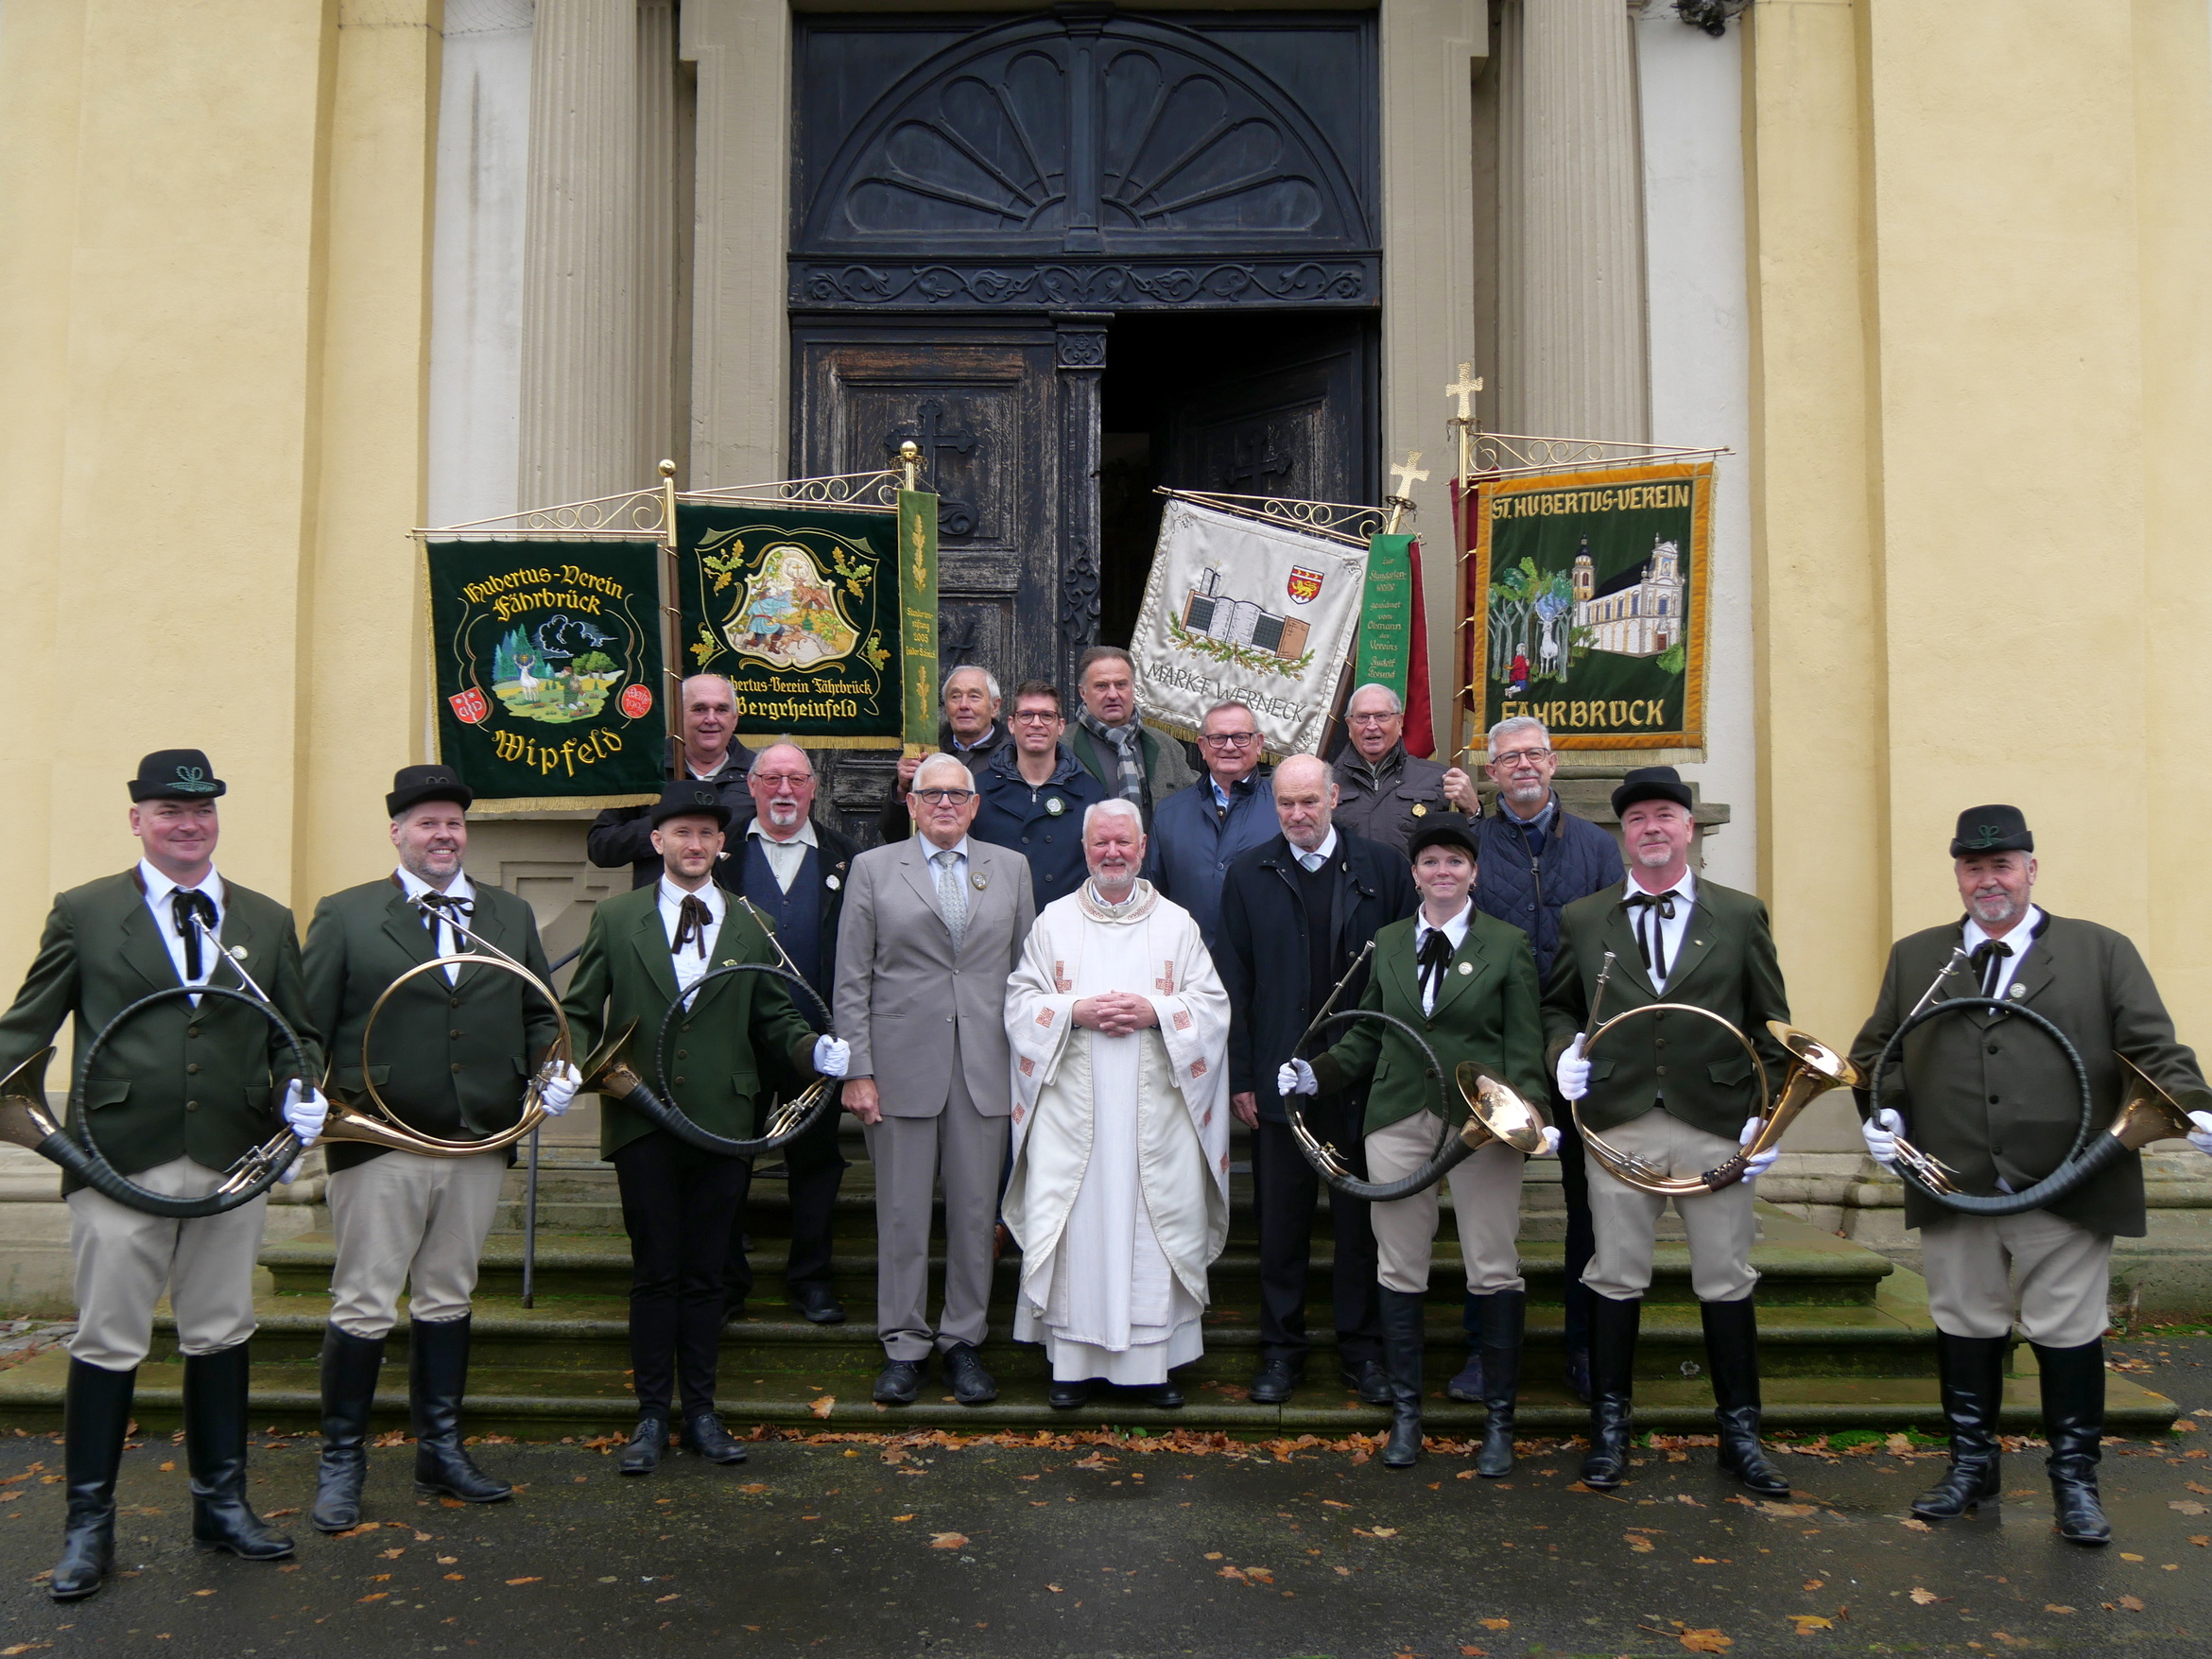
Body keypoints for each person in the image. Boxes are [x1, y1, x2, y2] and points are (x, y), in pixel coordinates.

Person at [0, 751, 328, 1600]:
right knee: (109, 1339)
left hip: (232, 1157)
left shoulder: (261, 914)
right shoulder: (85, 910)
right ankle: (88, 1525)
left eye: (203, 810)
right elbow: (28, 1023)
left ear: (216, 818)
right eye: (169, 810)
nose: (189, 823)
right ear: (137, 818)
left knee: (220, 1330)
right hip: (116, 1155)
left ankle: (222, 1504)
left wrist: (304, 1092)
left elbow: (296, 1030)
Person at [1851, 806, 2212, 1545]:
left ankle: (2074, 1483)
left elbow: (2155, 1049)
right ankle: (1970, 1469)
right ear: (1958, 873)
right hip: (1955, 1182)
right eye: (1974, 867)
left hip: (2071, 1180)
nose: (1989, 879)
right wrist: (1881, 1117)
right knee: (1965, 1322)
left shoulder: (2100, 950)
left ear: (2031, 868)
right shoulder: (1918, 955)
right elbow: (1876, 1053)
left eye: (2003, 864)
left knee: (2068, 1332)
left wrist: (2198, 1108)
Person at [300, 765, 581, 1530]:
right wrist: (298, 1092)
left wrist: (554, 1065)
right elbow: (305, 1024)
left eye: (454, 822)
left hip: (477, 1136)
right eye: (426, 822)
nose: (443, 834)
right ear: (397, 832)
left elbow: (536, 1011)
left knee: (448, 1294)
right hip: (380, 1133)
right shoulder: (348, 914)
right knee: (363, 1299)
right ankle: (341, 1460)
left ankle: (440, 1449)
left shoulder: (507, 913)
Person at [562, 782, 850, 1476]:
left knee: (706, 1275)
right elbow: (577, 1009)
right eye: (681, 833)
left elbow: (773, 1018)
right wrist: (563, 1065)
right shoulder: (617, 916)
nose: (695, 845)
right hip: (643, 1119)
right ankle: (650, 1416)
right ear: (657, 841)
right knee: (655, 1271)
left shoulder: (750, 923)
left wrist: (812, 1048)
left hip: (725, 1120)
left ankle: (703, 1412)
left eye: (706, 835)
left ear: (722, 846)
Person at [1544, 766, 1792, 1496]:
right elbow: (1558, 1006)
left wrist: (1767, 1114)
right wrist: (1562, 1057)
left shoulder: (1740, 914)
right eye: (1638, 819)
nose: (1652, 827)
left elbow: (1772, 1025)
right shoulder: (1585, 918)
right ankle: (1611, 1426)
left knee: (1726, 1275)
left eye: (1665, 815)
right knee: (1614, 1273)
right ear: (1623, 836)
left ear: (1688, 828)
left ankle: (1740, 1432)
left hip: (1715, 1118)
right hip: (1619, 1119)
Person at [1283, 819, 1556, 1471]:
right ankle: (1407, 1417)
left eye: (1455, 861)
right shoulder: (1387, 941)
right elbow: (1368, 1034)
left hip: (1479, 1123)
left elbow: (1522, 1042)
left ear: (1473, 872)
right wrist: (1318, 1071)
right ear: (1414, 873)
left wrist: (1531, 1115)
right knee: (1399, 1264)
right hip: (1397, 1114)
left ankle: (1498, 1423)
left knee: (1493, 1263)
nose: (1442, 871)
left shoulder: (1507, 942)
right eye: (1430, 860)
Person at [1004, 798, 1232, 1409]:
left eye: (1122, 843)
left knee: (1150, 1228)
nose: (1112, 853)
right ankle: (1071, 1365)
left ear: (1142, 846)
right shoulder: (1053, 922)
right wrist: (1072, 1010)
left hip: (1154, 1114)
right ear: (1085, 849)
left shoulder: (1177, 924)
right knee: (1077, 1222)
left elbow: (1212, 1009)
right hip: (1071, 1113)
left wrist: (1156, 1010)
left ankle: (1151, 1367)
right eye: (1101, 842)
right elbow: (1020, 1003)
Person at [835, 753, 1036, 1408]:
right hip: (898, 1068)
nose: (945, 803)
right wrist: (858, 1069)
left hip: (985, 1066)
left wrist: (1028, 1069)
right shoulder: (872, 869)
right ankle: (903, 1343)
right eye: (932, 793)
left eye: (958, 793)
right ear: (912, 803)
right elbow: (852, 978)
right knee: (901, 1212)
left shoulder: (1009, 868)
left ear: (975, 804)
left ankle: (963, 1341)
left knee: (978, 1212)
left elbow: (1025, 973)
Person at [1217, 753, 1416, 1408]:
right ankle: (1281, 1350)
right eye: (1286, 803)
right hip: (1279, 1083)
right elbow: (1234, 983)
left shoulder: (1384, 869)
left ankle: (1361, 1350)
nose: (1298, 814)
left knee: (1360, 1229)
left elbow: (1402, 979)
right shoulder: (1249, 873)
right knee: (1281, 1227)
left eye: (1309, 800)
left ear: (1334, 795)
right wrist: (1243, 1074)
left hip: (1362, 1080)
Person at [1462, 716, 1625, 1404]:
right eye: (1508, 758)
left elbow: (1617, 937)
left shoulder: (1594, 847)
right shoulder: (1469, 843)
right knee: (1487, 1209)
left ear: (1554, 764)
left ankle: (1584, 1347)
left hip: (1581, 1046)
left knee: (1590, 1204)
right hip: (1498, 1048)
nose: (1522, 765)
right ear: (1491, 772)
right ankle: (1484, 1353)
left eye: (1534, 754)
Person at [717, 742, 861, 1327]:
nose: (784, 790)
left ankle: (812, 1280)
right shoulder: (719, 851)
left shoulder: (846, 857)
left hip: (817, 1042)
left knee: (817, 1164)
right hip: (734, 1042)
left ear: (813, 787)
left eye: (796, 780)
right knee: (728, 1163)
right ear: (751, 786)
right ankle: (726, 1282)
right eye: (771, 778)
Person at [587, 673, 756, 887]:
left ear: (734, 718)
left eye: (721, 710)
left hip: (734, 912)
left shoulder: (758, 774)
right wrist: (663, 827)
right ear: (677, 715)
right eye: (699, 709)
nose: (711, 719)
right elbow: (600, 848)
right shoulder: (646, 769)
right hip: (658, 911)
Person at [1142, 699, 1278, 952]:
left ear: (1258, 744)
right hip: (1188, 966)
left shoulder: (1284, 809)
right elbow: (1152, 898)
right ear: (1203, 746)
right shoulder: (1170, 813)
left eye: (1240, 737)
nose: (1229, 747)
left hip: (1263, 967)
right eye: (1218, 738)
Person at [971, 680, 1107, 908]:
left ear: (1061, 726)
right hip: (998, 924)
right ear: (1012, 724)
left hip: (1066, 927)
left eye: (1046, 716)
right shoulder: (979, 790)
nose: (1036, 724)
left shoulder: (1091, 794)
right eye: (1026, 715)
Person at [1330, 683, 1473, 856]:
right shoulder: (1326, 783)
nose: (1372, 725)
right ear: (1349, 726)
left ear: (1399, 722)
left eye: (1382, 716)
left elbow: (1466, 852)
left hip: (1412, 884)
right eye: (1362, 717)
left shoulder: (1438, 779)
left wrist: (1474, 811)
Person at [876, 664, 1011, 840]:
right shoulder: (926, 753)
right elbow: (894, 834)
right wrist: (902, 789)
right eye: (955, 697)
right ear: (946, 706)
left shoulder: (1013, 755)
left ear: (994, 706)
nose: (963, 705)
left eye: (974, 697)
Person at [1066, 646, 1196, 828]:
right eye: (1101, 686)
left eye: (1121, 684)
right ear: (1083, 692)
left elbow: (1197, 804)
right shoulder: (1061, 745)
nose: (1112, 694)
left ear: (1133, 688)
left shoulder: (1167, 746)